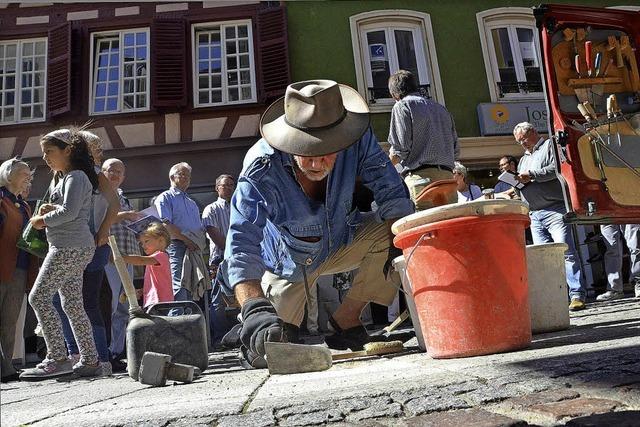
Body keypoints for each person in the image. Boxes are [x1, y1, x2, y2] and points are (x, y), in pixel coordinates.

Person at [221, 79, 414, 368]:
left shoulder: (358, 139)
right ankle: (247, 327)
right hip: (288, 267)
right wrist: (252, 307)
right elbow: (240, 244)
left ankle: (345, 321)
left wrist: (403, 253)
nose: (316, 162)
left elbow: (391, 190)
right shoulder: (261, 166)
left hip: (340, 243)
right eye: (306, 150)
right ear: (289, 140)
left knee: (400, 234)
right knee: (268, 349)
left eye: (327, 150)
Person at [20, 128, 102, 380]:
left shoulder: (76, 176)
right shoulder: (69, 177)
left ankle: (58, 357)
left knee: (39, 297)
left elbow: (68, 213)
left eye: (50, 152)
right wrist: (50, 209)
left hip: (68, 247)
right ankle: (90, 360)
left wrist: (40, 219)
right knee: (72, 305)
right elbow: (71, 209)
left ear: (68, 151)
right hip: (72, 246)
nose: (45, 157)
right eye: (44, 152)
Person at [51, 131, 119, 376]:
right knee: (67, 301)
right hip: (73, 243)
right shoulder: (65, 175)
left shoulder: (95, 174)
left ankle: (96, 357)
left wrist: (103, 231)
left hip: (92, 244)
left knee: (84, 302)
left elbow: (115, 204)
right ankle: (82, 354)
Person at [513, 122, 587, 311]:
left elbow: (556, 169)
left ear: (534, 133)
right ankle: (555, 298)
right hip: (535, 214)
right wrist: (516, 184)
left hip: (555, 209)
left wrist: (531, 175)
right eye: (518, 141)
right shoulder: (523, 159)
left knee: (565, 252)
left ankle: (577, 294)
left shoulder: (549, 146)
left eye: (523, 139)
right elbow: (526, 180)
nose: (522, 144)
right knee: (545, 258)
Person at [387, 70, 459, 209]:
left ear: (395, 94)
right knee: (447, 227)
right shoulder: (442, 109)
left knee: (423, 228)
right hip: (448, 180)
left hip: (421, 181)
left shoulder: (402, 106)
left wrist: (385, 168)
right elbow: (455, 151)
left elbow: (400, 149)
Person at [0, 158, 38, 383]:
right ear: (8, 174)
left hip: (20, 268)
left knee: (10, 321)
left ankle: (6, 367)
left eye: (29, 175)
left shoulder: (24, 205)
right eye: (24, 173)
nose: (28, 178)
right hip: (2, 265)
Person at [101, 158, 140, 369]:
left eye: (119, 172)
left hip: (127, 256)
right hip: (110, 255)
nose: (115, 174)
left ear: (124, 176)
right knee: (114, 304)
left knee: (124, 306)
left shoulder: (122, 195)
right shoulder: (100, 194)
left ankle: (117, 351)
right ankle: (108, 352)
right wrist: (124, 215)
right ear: (103, 172)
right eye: (111, 170)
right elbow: (100, 221)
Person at [154, 163, 204, 301]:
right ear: (171, 177)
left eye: (188, 176)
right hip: (177, 245)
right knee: (179, 283)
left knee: (192, 285)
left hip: (194, 248)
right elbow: (166, 225)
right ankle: (177, 318)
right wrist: (187, 240)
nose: (186, 178)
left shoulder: (191, 202)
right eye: (182, 174)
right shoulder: (165, 197)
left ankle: (188, 319)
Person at [202, 174, 236, 345]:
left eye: (231, 184)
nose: (229, 187)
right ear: (217, 188)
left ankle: (242, 335)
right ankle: (220, 338)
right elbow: (215, 235)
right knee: (218, 299)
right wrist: (233, 249)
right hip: (220, 258)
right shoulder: (211, 209)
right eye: (225, 185)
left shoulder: (239, 206)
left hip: (240, 257)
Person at [123, 223, 173, 309]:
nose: (143, 246)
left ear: (160, 240)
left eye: (146, 241)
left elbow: (141, 260)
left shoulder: (161, 255)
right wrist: (142, 291)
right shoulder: (154, 259)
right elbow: (155, 283)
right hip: (154, 301)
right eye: (142, 243)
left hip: (161, 301)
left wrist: (122, 258)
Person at [597, 224, 640, 301]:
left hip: (628, 212)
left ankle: (638, 282)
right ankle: (615, 289)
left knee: (635, 245)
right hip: (606, 213)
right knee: (611, 249)